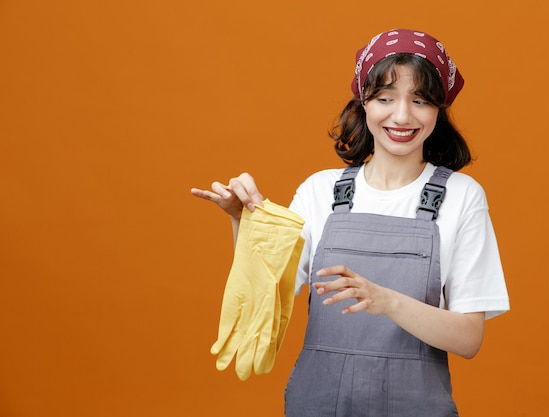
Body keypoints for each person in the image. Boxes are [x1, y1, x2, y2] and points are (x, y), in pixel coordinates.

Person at [191, 28, 510, 416]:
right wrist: (247, 225)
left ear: (439, 110)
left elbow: (468, 338)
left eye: (420, 100)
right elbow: (271, 295)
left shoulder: (462, 196)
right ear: (364, 103)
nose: (402, 115)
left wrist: (385, 300)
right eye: (385, 98)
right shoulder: (321, 190)